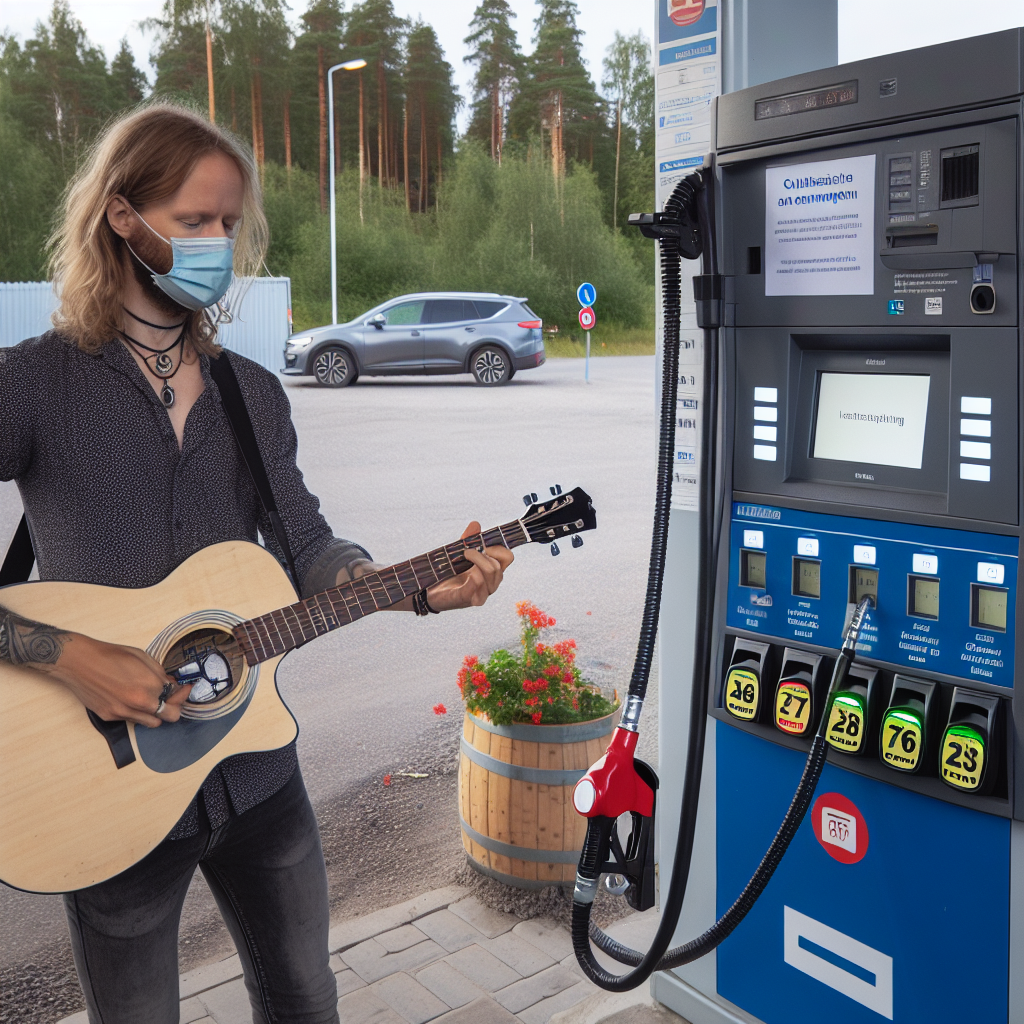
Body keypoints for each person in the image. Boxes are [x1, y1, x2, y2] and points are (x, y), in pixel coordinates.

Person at [0, 102, 513, 1024]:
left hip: (257, 770)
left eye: (230, 223)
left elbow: (310, 547)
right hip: (104, 794)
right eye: (195, 221)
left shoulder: (254, 392)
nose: (218, 242)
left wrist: (414, 591)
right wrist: (68, 656)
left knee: (307, 1001)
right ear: (124, 216)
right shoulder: (34, 382)